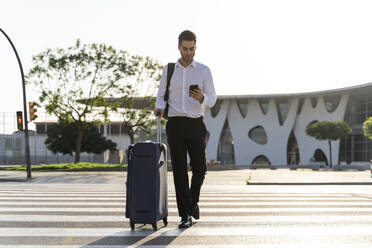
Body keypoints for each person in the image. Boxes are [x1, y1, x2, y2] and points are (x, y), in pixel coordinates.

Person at [154, 30, 217, 228]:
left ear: (195, 48)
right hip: (174, 124)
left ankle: (192, 202)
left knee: (200, 168)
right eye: (185, 49)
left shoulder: (204, 70)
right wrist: (159, 106)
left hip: (195, 123)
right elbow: (161, 92)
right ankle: (185, 215)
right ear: (179, 47)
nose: (188, 53)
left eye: (192, 49)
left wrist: (202, 99)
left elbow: (213, 98)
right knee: (179, 171)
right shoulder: (170, 69)